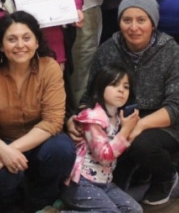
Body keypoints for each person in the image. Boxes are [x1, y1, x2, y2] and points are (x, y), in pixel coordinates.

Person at [73, 0, 179, 206]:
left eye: (141, 20)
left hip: (162, 122)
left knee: (140, 144)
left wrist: (138, 125)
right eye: (127, 20)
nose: (133, 27)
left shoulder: (171, 51)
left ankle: (166, 177)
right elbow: (91, 95)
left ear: (153, 23)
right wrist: (80, 118)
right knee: (111, 180)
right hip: (115, 122)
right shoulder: (108, 50)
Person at [0, 12, 75, 212]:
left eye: (26, 38)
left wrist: (11, 151)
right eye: (12, 39)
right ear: (1, 46)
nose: (20, 45)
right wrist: (2, 150)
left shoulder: (50, 68)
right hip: (4, 139)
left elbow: (53, 122)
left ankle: (43, 201)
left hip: (40, 142)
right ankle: (8, 204)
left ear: (37, 42)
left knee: (62, 150)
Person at [61, 65, 142, 213]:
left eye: (126, 87)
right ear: (100, 86)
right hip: (81, 182)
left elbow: (117, 149)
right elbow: (103, 156)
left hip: (104, 182)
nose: (121, 90)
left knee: (134, 210)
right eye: (114, 84)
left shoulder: (118, 118)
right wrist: (125, 131)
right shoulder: (93, 117)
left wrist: (129, 131)